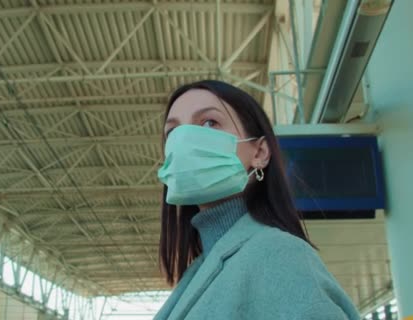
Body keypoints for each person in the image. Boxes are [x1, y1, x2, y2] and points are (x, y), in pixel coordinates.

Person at [154, 80, 360, 319]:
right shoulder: (202, 269)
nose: (185, 141)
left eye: (210, 122)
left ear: (260, 153)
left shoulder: (279, 253)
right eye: (172, 132)